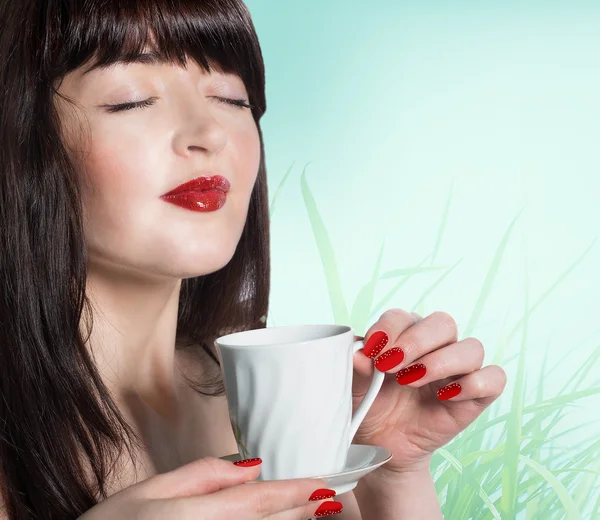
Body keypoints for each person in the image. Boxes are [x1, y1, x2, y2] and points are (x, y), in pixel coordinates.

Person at [0, 0, 507, 518]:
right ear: (18, 134)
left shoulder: (280, 407)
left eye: (231, 98)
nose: (210, 133)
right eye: (133, 100)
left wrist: (393, 477)